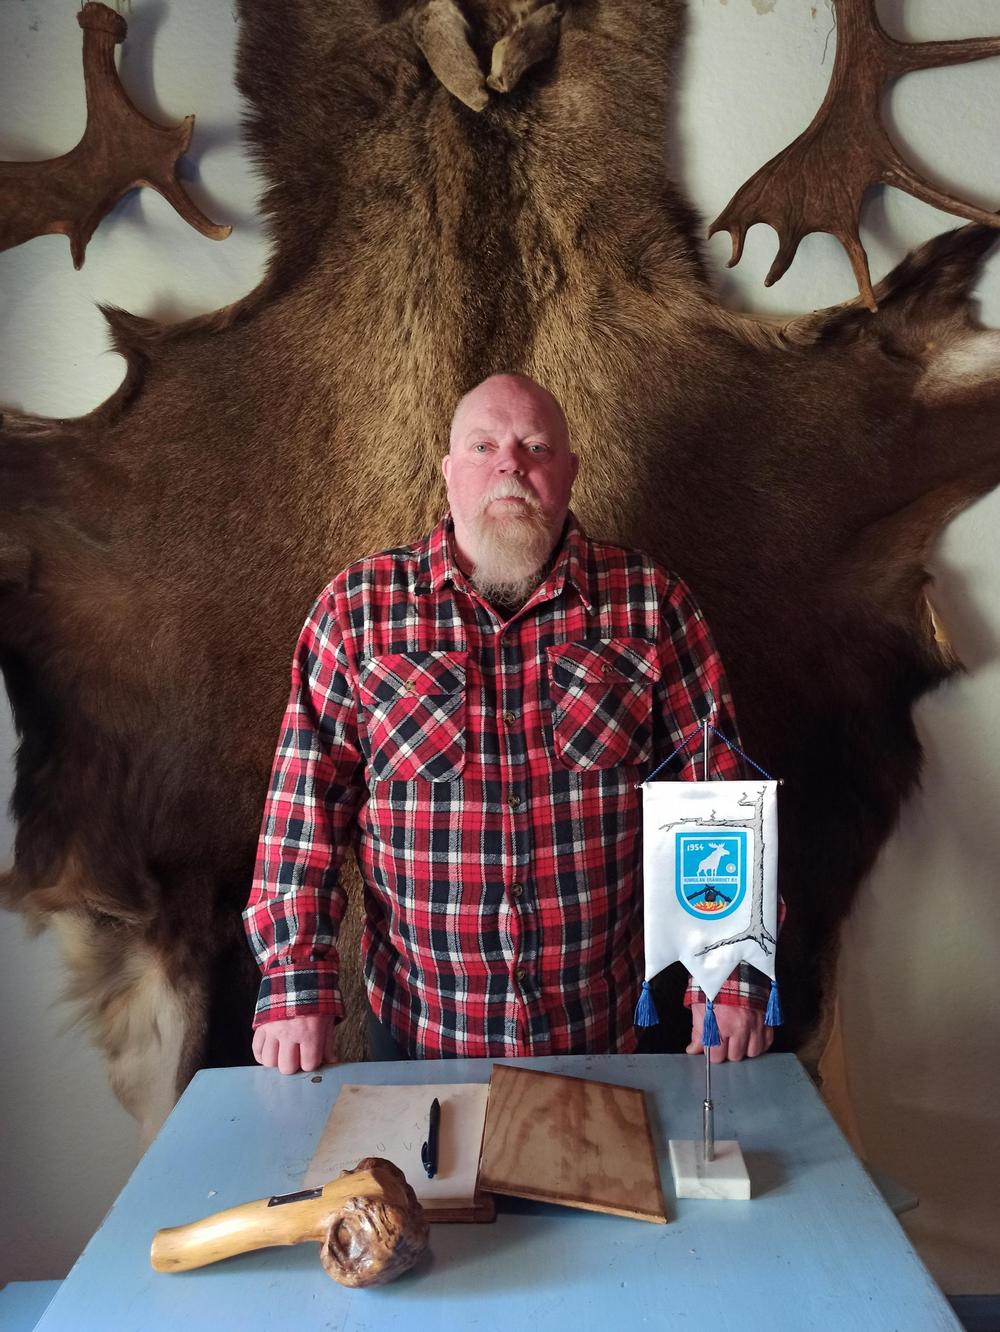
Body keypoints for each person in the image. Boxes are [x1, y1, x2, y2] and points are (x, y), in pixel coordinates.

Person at [243, 374, 774, 1073]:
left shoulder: (652, 604)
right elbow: (302, 813)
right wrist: (295, 984)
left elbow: (714, 801)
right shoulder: (357, 611)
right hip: (420, 1033)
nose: (510, 465)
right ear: (448, 471)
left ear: (570, 472)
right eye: (483, 446)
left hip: (602, 1032)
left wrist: (729, 973)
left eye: (536, 447)